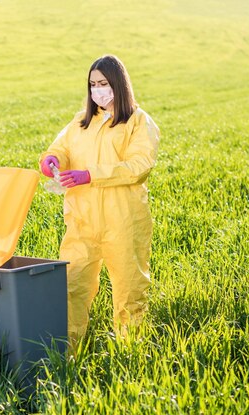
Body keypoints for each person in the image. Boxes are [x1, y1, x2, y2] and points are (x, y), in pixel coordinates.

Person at [39, 54, 160, 346]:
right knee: (72, 287)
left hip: (123, 220)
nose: (97, 90)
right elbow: (60, 148)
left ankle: (130, 351)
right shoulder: (81, 122)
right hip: (82, 220)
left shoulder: (138, 122)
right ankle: (67, 351)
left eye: (103, 83)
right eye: (93, 84)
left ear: (119, 84)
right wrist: (51, 159)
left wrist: (89, 175)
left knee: (129, 289)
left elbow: (139, 166)